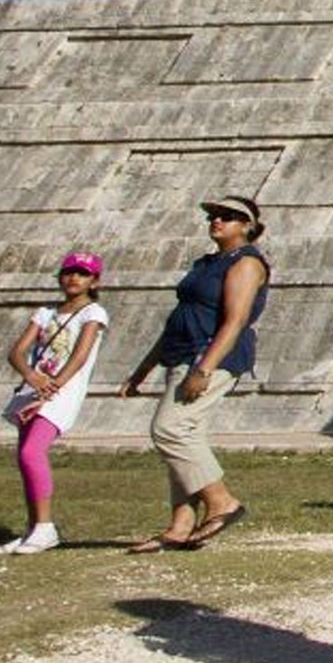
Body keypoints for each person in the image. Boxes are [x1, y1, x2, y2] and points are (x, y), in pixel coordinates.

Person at [117, 194, 271, 553]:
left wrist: (204, 368)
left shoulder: (246, 263)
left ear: (247, 226)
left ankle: (222, 503)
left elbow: (235, 321)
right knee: (187, 440)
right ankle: (180, 525)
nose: (217, 221)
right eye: (214, 216)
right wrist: (141, 372)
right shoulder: (206, 263)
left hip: (210, 357)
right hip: (182, 354)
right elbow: (177, 321)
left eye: (229, 217)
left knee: (169, 430)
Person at [0, 252, 111, 555]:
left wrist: (52, 386)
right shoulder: (45, 313)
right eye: (68, 272)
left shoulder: (93, 313)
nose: (73, 278)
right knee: (25, 458)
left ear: (94, 281)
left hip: (61, 393)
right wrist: (32, 377)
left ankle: (45, 528)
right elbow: (17, 352)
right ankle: (32, 528)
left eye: (82, 274)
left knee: (33, 452)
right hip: (33, 389)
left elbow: (79, 356)